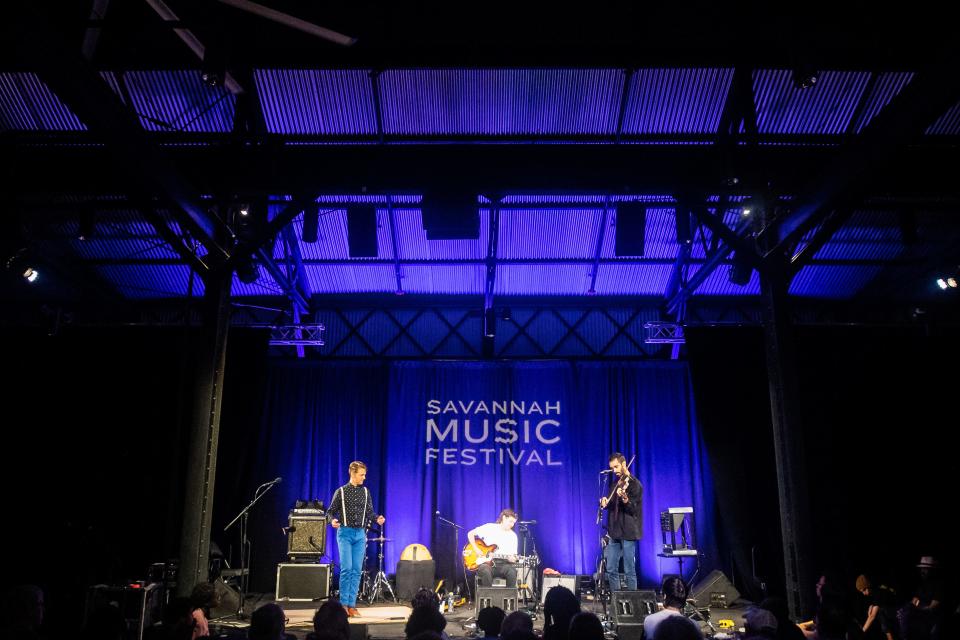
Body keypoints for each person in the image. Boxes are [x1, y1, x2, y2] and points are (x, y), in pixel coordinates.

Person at [328, 460, 386, 617]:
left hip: (360, 534)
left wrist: (377, 518)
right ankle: (343, 605)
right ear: (352, 474)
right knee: (347, 568)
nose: (364, 477)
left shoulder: (366, 492)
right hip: (345, 533)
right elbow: (330, 511)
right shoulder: (340, 491)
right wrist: (332, 520)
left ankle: (352, 605)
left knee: (356, 570)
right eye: (362, 475)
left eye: (364, 475)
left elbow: (370, 512)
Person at [600, 452, 642, 590]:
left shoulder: (635, 485)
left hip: (628, 531)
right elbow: (612, 504)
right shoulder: (615, 484)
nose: (615, 471)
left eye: (616, 467)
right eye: (612, 468)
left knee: (629, 569)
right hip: (614, 530)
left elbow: (633, 509)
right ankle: (616, 601)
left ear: (624, 464)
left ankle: (632, 602)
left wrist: (625, 499)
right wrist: (605, 502)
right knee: (611, 568)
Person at [467, 509, 520, 588]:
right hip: (486, 563)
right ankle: (488, 598)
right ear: (504, 518)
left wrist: (513, 559)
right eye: (510, 521)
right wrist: (476, 548)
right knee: (485, 570)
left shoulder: (513, 536)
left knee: (512, 572)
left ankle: (508, 598)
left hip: (503, 564)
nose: (512, 524)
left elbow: (514, 555)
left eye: (513, 523)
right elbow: (470, 534)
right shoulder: (490, 527)